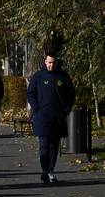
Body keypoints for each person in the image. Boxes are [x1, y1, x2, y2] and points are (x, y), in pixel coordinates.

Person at [27, 51, 75, 183]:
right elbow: (30, 92)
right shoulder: (38, 76)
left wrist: (67, 108)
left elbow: (71, 94)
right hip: (42, 117)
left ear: (57, 63)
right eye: (49, 62)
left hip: (58, 117)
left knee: (54, 146)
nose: (51, 65)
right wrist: (36, 107)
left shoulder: (63, 76)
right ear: (45, 62)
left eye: (53, 63)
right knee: (44, 144)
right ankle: (46, 170)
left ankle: (50, 171)